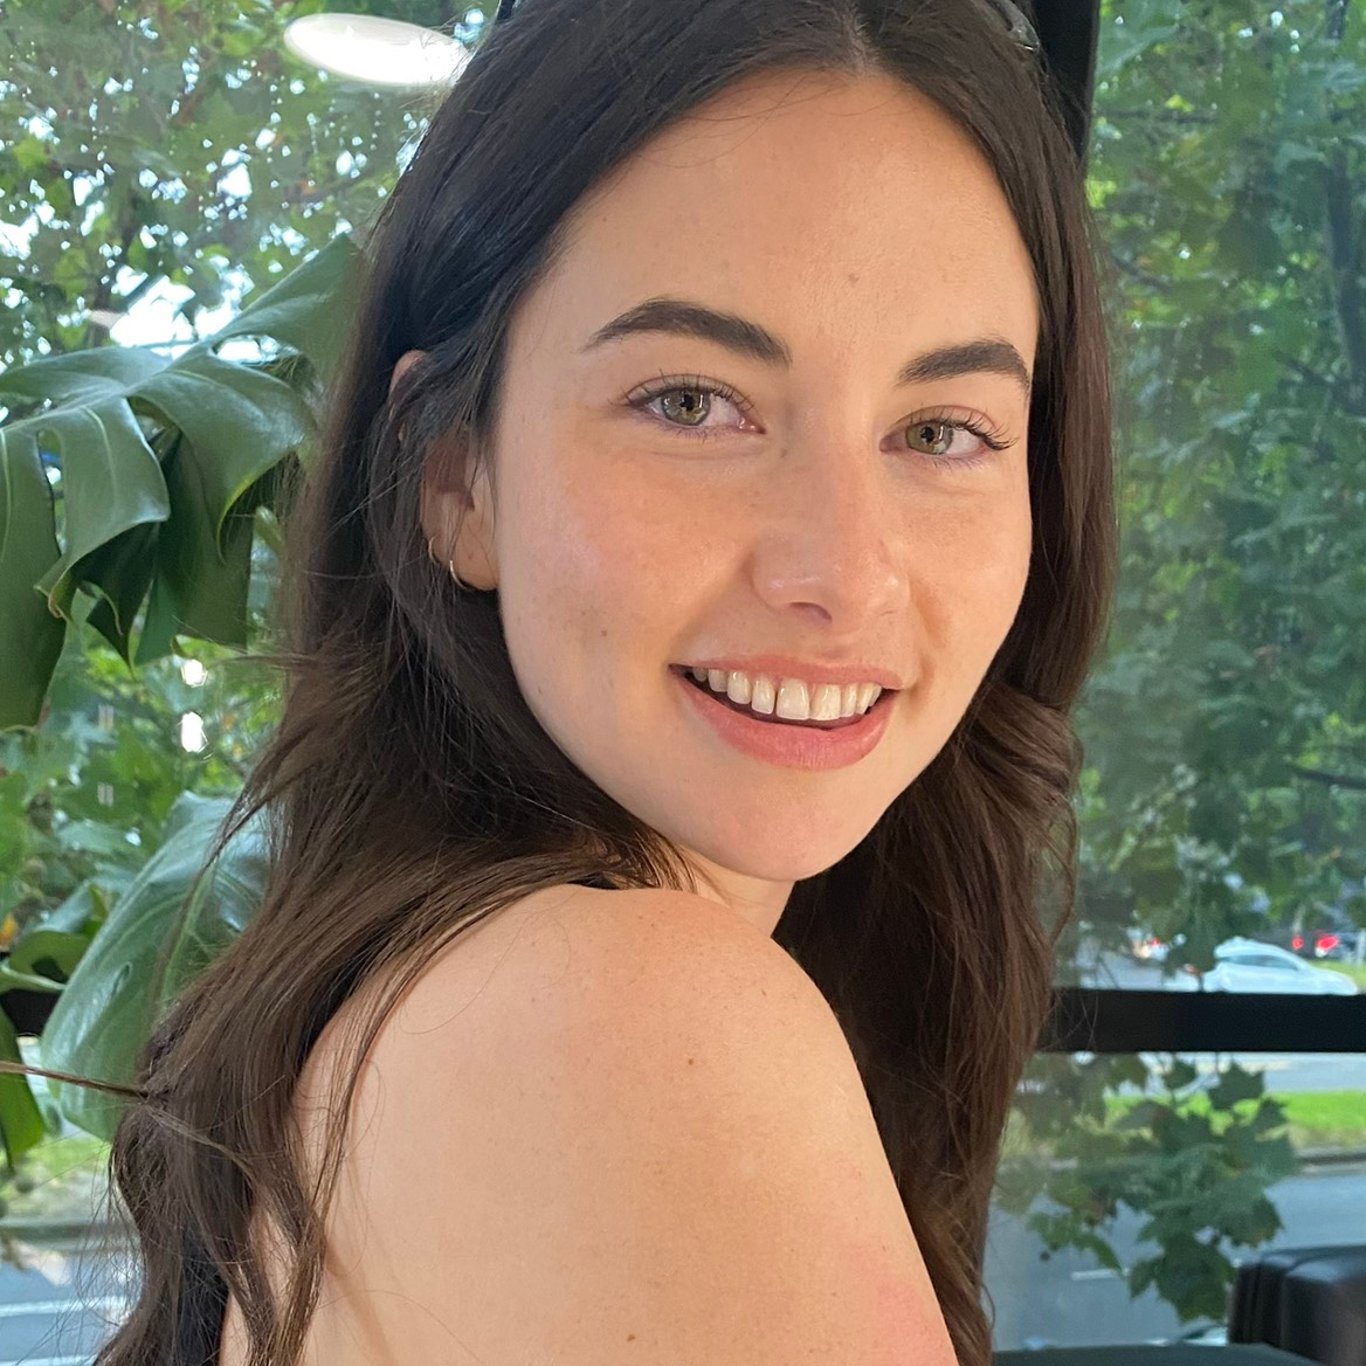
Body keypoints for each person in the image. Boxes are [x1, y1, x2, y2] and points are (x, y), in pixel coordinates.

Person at [21, 1, 1116, 1362]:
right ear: (454, 480)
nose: (843, 574)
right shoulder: (632, 1022)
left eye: (942, 430)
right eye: (690, 403)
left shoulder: (433, 990)